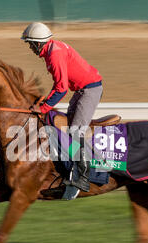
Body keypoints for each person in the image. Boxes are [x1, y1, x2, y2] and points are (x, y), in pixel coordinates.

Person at [21, 22, 103, 200]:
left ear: (38, 43)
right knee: (65, 127)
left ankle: (82, 178)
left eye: (30, 43)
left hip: (89, 90)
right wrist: (45, 101)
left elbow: (62, 89)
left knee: (75, 131)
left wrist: (42, 108)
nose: (30, 47)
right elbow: (59, 85)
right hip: (82, 90)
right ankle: (69, 170)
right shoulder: (52, 50)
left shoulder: (54, 55)